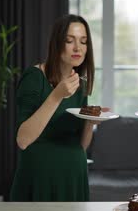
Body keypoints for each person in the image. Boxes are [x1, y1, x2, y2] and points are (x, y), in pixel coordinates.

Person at [10, 14, 100, 201]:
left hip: (74, 178)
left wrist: (91, 122)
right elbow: (23, 139)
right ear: (57, 43)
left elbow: (81, 145)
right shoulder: (34, 77)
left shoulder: (78, 83)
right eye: (69, 41)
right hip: (41, 178)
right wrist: (57, 95)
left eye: (83, 42)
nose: (78, 48)